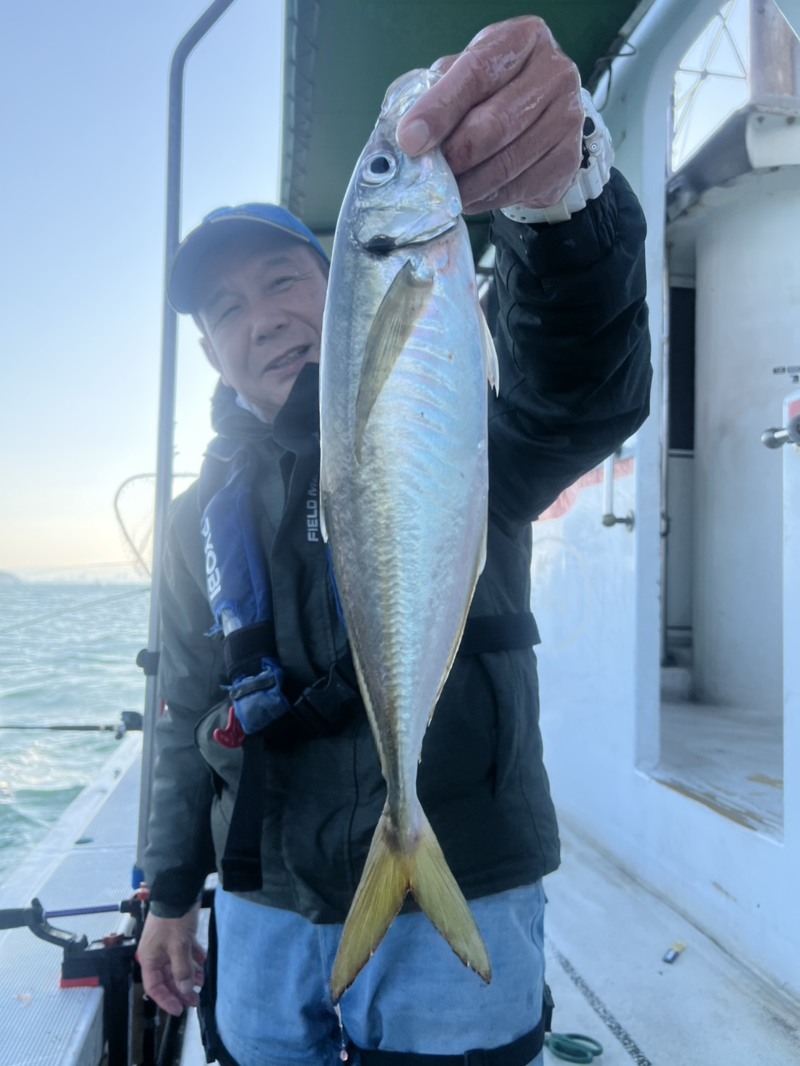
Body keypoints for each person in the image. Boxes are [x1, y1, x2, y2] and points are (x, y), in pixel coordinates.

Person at [137, 15, 652, 1066]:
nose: (260, 317)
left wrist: (562, 203)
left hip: (469, 861)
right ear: (212, 352)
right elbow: (184, 705)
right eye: (225, 309)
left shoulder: (456, 415)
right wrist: (171, 892)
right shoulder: (197, 516)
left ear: (340, 285)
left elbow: (579, 390)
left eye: (282, 279)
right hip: (265, 892)